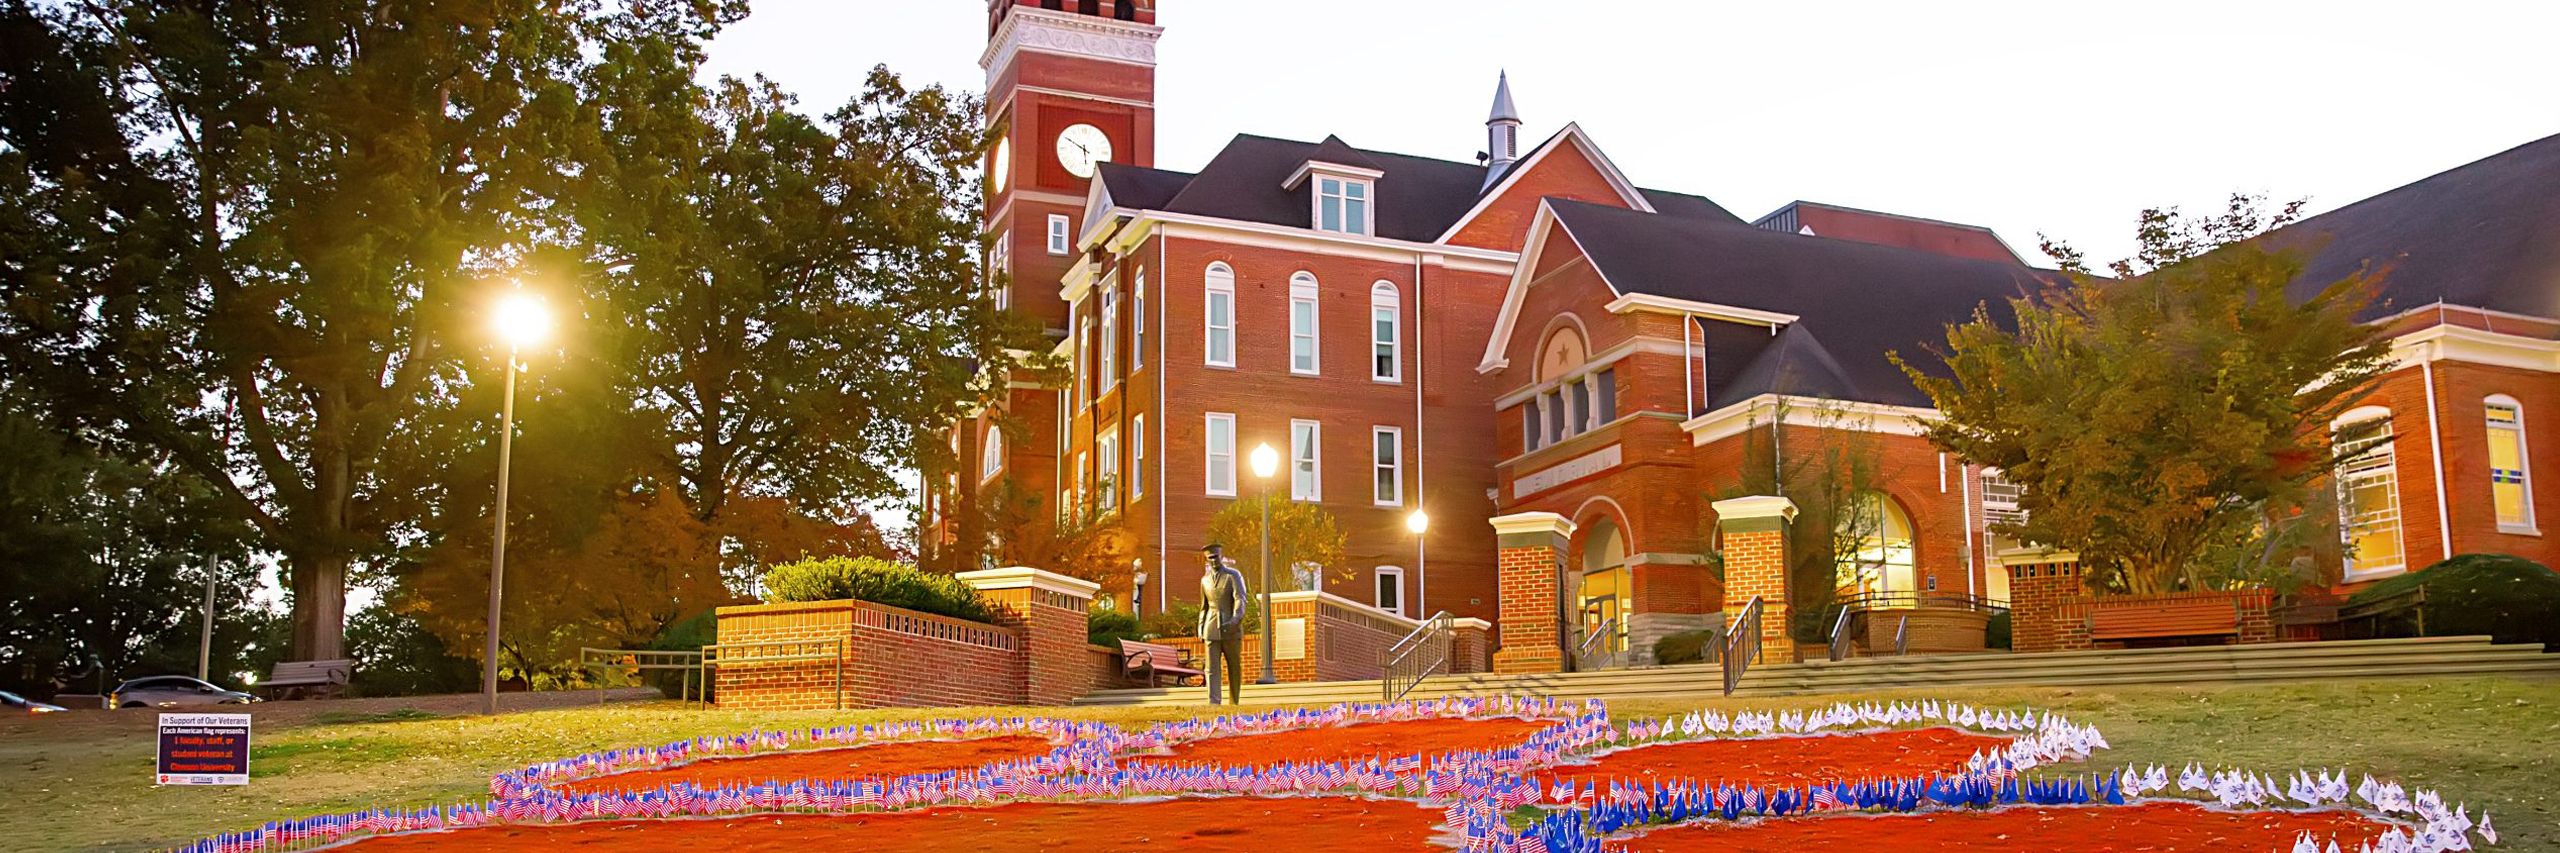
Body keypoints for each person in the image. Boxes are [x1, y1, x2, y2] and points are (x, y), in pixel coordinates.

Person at [1197, 544, 1248, 705]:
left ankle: (1234, 701)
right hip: (1210, 628)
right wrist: (1200, 626)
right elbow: (1204, 606)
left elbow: (1240, 598)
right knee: (1211, 669)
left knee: (1234, 666)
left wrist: (1235, 619)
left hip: (1230, 627)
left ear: (1221, 556)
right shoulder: (1204, 580)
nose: (1213, 561)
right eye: (1210, 558)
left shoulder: (1233, 575)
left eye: (1216, 557)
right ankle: (1214, 702)